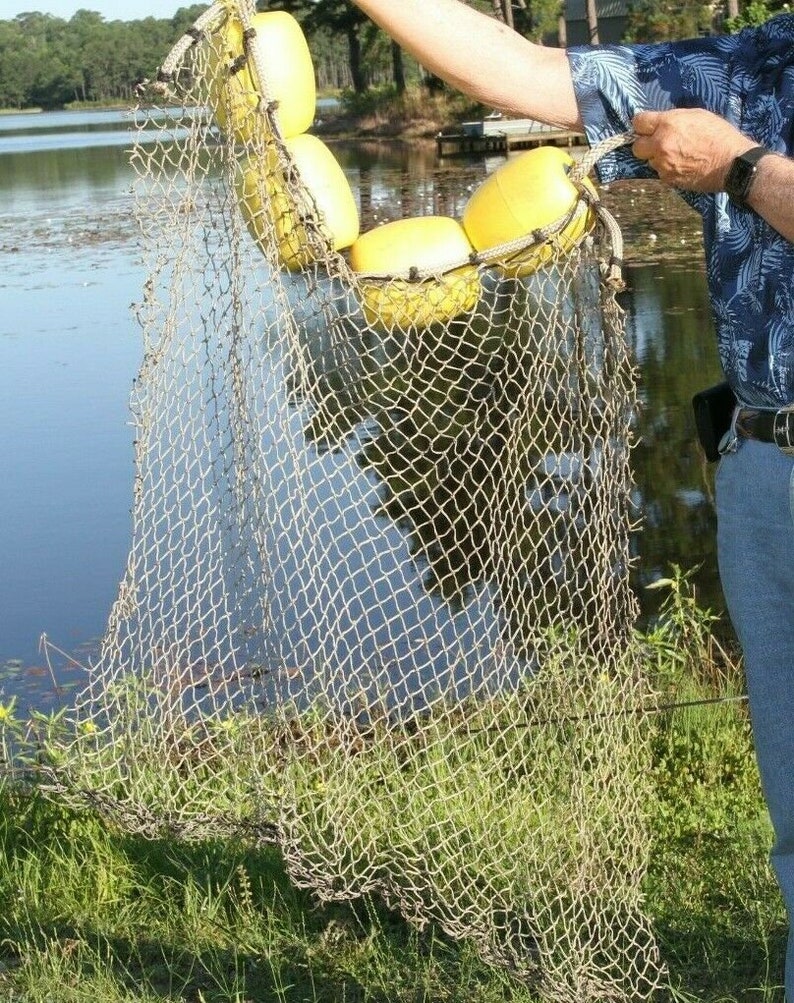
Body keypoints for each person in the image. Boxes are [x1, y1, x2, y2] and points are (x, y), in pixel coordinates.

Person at [350, 0, 794, 996]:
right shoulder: (753, 64)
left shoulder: (736, 123)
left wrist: (737, 169)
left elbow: (747, 173)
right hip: (763, 466)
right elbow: (520, 71)